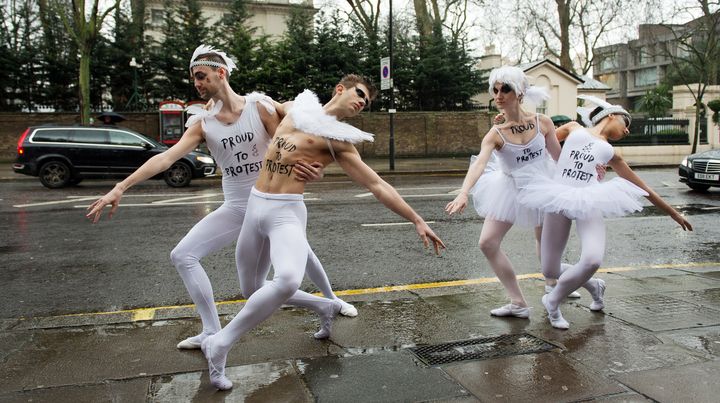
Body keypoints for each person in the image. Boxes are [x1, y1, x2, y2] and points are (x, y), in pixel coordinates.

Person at [85, 45, 357, 351]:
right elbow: (166, 158)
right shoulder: (203, 122)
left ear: (221, 73)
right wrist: (121, 186)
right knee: (184, 256)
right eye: (194, 79)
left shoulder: (260, 108)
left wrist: (315, 168)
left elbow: (294, 140)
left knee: (299, 258)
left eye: (201, 76)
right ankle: (211, 330)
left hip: (272, 203)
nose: (197, 84)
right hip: (236, 208)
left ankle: (331, 300)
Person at [200, 74, 446, 390]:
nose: (362, 102)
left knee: (286, 280)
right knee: (252, 290)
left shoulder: (338, 142)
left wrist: (416, 219)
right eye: (359, 93)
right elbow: (252, 103)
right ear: (339, 89)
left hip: (285, 212)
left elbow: (376, 185)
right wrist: (217, 99)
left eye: (366, 102)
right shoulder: (296, 107)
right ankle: (325, 306)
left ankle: (220, 344)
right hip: (254, 206)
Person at [517, 95, 693, 329]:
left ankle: (553, 301)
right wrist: (507, 123)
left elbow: (643, 188)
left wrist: (673, 213)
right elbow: (536, 147)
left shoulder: (611, 153)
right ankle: (594, 286)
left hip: (589, 201)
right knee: (549, 269)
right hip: (558, 197)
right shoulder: (573, 128)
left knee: (592, 260)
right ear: (611, 115)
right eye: (626, 123)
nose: (628, 131)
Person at [445, 66, 565, 319]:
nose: (498, 95)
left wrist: (583, 176)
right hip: (510, 189)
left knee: (545, 247)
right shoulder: (495, 133)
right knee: (487, 243)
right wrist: (464, 192)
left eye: (505, 89)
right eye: (495, 90)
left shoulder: (542, 122)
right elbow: (479, 163)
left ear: (520, 93)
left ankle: (559, 286)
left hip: (544, 187)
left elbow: (559, 158)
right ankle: (518, 302)